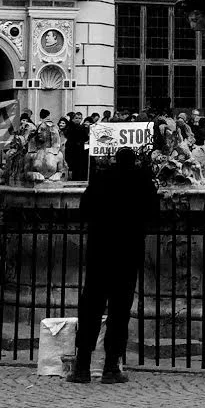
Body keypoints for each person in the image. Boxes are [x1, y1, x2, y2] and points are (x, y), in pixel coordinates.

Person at [68, 148, 160, 384]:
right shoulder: (141, 181)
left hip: (100, 250)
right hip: (127, 252)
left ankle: (82, 365)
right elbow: (153, 213)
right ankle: (111, 366)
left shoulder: (101, 178)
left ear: (115, 160)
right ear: (135, 162)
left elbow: (84, 210)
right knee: (120, 311)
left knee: (90, 308)